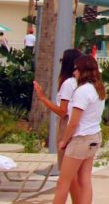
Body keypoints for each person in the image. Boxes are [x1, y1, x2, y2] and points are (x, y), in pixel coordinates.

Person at [53, 55, 106, 204]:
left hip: (80, 139)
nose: (74, 72)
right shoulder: (98, 89)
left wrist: (64, 141)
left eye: (76, 69)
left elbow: (74, 122)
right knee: (85, 180)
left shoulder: (82, 91)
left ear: (82, 70)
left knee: (63, 183)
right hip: (94, 136)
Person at [33, 48, 83, 180]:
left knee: (66, 171)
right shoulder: (83, 83)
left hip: (66, 124)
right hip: (81, 126)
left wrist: (42, 98)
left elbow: (62, 111)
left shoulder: (68, 84)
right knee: (80, 174)